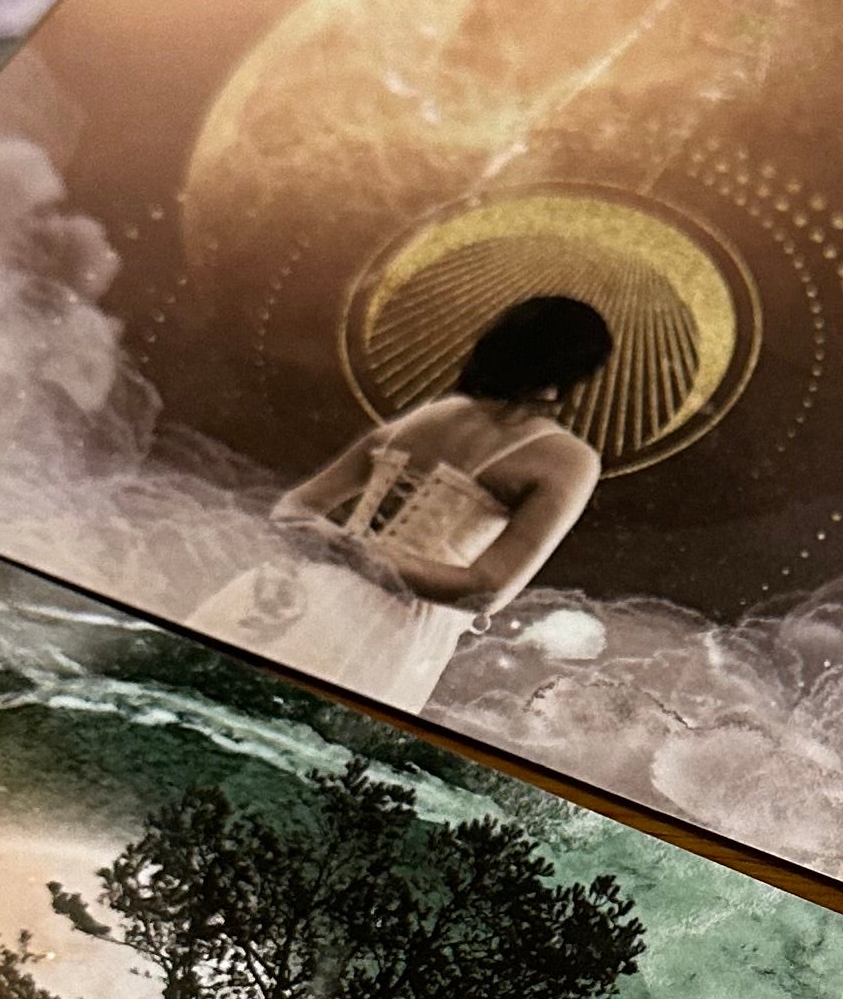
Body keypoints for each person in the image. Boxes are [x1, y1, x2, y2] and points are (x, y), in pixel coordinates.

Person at [192, 291, 611, 716]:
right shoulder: (568, 460)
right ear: (579, 372)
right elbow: (484, 591)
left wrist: (342, 546)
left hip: (301, 589)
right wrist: (370, 559)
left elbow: (291, 512)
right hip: (384, 627)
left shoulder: (432, 416)